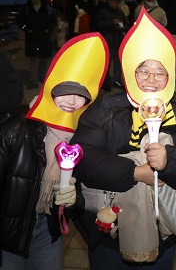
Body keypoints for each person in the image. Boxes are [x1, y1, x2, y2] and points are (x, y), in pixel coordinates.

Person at [72, 12, 176, 270]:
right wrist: (135, 172)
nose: (151, 79)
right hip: (108, 235)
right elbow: (83, 156)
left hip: (161, 234)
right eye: (143, 71)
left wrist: (170, 162)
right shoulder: (108, 108)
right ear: (129, 73)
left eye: (159, 72)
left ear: (170, 77)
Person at [0, 33, 109, 269]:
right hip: (7, 238)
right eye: (65, 90)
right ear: (50, 87)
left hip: (48, 235)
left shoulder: (82, 141)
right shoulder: (16, 131)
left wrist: (74, 200)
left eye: (82, 95)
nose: (72, 101)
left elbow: (83, 196)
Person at [20, 0, 57, 89]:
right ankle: (32, 80)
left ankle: (42, 77)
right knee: (32, 60)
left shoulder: (47, 8)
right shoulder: (26, 8)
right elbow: (21, 22)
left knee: (44, 59)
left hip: (44, 38)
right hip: (31, 39)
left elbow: (53, 22)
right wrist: (28, 30)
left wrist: (47, 30)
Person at [95, 0, 129, 90]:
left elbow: (126, 25)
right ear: (109, 2)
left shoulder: (120, 12)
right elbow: (99, 25)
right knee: (106, 64)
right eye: (114, 3)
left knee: (118, 63)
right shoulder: (102, 12)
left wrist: (122, 27)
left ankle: (116, 81)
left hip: (118, 41)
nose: (116, 5)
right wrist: (111, 22)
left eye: (117, 3)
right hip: (107, 41)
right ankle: (105, 83)